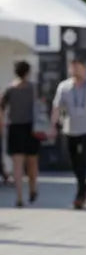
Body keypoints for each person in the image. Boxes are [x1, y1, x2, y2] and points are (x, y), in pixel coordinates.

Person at [51, 56, 86, 209]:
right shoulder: (64, 86)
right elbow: (57, 107)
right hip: (70, 129)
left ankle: (81, 192)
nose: (75, 70)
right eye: (73, 67)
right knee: (74, 162)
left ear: (84, 68)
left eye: (78, 67)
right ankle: (83, 186)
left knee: (83, 159)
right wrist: (53, 126)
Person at [1, 61, 41, 207]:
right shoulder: (33, 88)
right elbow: (40, 105)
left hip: (14, 128)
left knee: (17, 164)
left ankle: (19, 196)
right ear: (28, 72)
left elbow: (2, 106)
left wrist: (2, 123)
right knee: (32, 162)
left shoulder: (10, 89)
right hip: (32, 128)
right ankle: (32, 188)